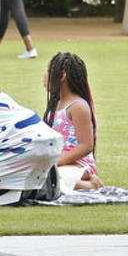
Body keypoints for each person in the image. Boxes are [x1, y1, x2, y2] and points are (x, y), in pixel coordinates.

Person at [43, 52, 103, 190]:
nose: (45, 76)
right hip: (58, 164)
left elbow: (86, 145)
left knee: (49, 182)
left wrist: (56, 163)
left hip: (79, 164)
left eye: (48, 72)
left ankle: (91, 185)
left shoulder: (78, 106)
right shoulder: (55, 105)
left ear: (62, 76)